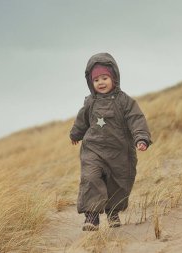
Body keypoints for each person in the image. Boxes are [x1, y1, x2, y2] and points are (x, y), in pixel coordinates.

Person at [70, 52, 152, 231]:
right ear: (91, 83)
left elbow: (136, 119)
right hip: (94, 150)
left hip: (119, 152)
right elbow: (81, 120)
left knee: (118, 184)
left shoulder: (125, 101)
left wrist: (141, 138)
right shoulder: (90, 102)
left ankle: (112, 212)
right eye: (96, 79)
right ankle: (91, 216)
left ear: (114, 77)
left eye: (105, 77)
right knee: (90, 177)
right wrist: (76, 134)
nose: (100, 82)